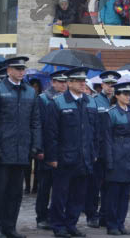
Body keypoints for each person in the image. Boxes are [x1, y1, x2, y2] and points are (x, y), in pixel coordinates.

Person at [0, 56, 42, 238]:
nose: (21, 72)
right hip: (2, 150)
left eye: (23, 69)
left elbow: (35, 121)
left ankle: (10, 227)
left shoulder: (30, 93)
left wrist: (36, 145)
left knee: (15, 193)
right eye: (17, 69)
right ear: (9, 70)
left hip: (21, 150)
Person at [46, 67, 98, 238]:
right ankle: (58, 226)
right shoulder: (58, 102)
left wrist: (94, 153)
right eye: (78, 81)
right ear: (69, 83)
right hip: (64, 158)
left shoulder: (90, 102)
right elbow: (51, 133)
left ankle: (71, 224)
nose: (83, 83)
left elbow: (95, 132)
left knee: (78, 195)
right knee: (60, 195)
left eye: (84, 80)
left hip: (84, 157)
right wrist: (52, 157)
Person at [101, 81, 130, 236]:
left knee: (125, 194)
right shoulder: (110, 113)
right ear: (117, 95)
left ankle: (120, 222)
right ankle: (111, 224)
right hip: (116, 156)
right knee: (113, 194)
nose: (128, 96)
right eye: (124, 94)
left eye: (129, 94)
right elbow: (107, 139)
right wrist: (109, 161)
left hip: (129, 158)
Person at [85, 70, 120, 229]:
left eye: (113, 85)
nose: (111, 87)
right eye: (108, 84)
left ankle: (105, 214)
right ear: (102, 85)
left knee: (109, 185)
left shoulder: (118, 102)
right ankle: (91, 214)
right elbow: (91, 128)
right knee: (94, 185)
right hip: (98, 150)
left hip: (113, 150)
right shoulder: (94, 101)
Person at [35, 70, 69, 231]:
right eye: (59, 82)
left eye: (65, 82)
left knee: (60, 186)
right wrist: (40, 148)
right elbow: (39, 125)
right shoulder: (43, 98)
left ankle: (56, 215)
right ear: (52, 82)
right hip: (47, 149)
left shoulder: (66, 99)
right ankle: (41, 216)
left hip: (62, 149)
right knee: (45, 185)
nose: (63, 84)